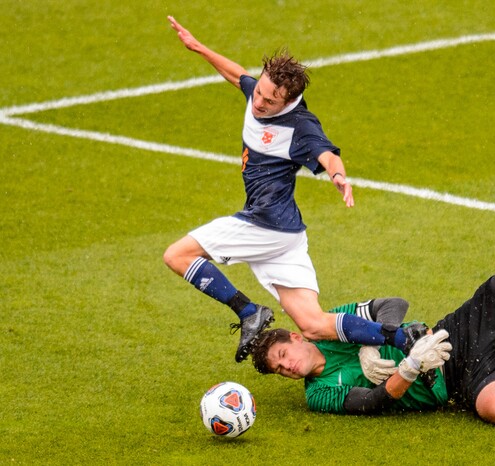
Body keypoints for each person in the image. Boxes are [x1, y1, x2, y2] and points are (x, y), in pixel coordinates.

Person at [163, 16, 425, 363]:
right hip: (287, 237)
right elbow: (236, 75)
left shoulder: (299, 126)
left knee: (177, 255)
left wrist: (338, 176)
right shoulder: (258, 93)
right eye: (259, 93)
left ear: (289, 101)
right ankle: (400, 337)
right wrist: (198, 48)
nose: (259, 103)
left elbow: (327, 154)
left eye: (270, 101)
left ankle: (248, 311)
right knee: (313, 324)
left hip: (266, 223)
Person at [251, 248, 495, 425]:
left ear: (296, 337)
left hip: (450, 335)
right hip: (457, 380)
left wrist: (372, 340)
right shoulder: (317, 394)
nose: (286, 367)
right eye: (279, 370)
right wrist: (409, 368)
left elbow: (394, 304)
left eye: (282, 355)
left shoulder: (329, 324)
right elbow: (373, 403)